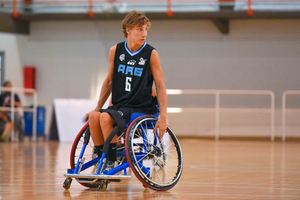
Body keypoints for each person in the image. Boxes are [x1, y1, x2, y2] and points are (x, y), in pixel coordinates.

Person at [85, 10, 168, 171]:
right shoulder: (116, 51)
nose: (144, 33)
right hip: (120, 106)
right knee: (95, 116)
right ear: (128, 30)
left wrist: (163, 114)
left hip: (140, 106)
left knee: (104, 118)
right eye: (139, 29)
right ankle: (100, 154)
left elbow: (160, 85)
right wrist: (97, 107)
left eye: (145, 29)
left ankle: (111, 159)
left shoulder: (151, 53)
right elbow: (109, 81)